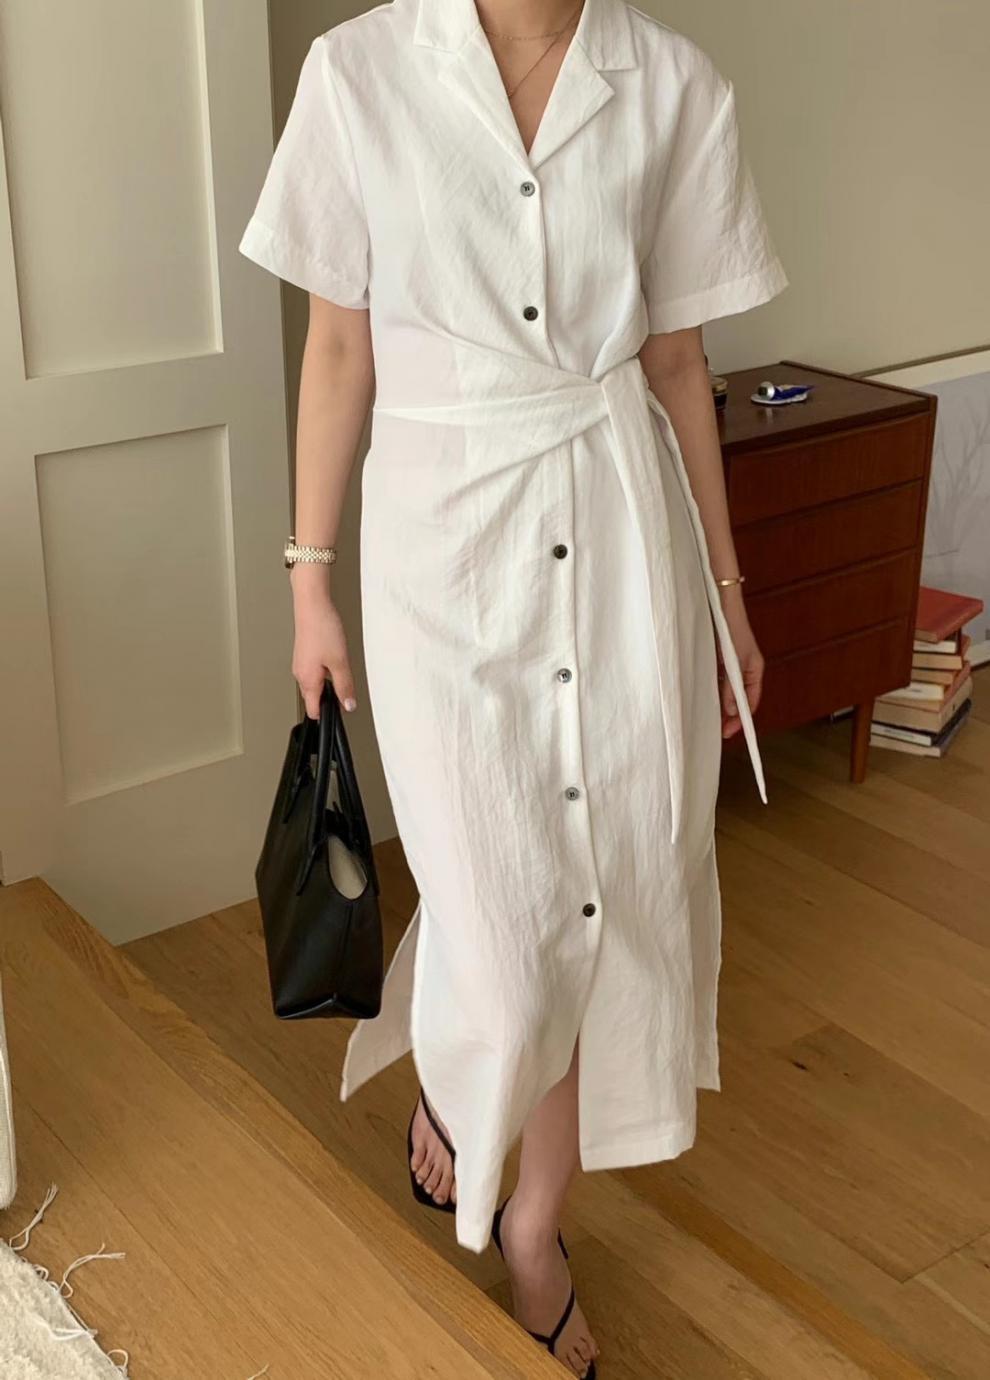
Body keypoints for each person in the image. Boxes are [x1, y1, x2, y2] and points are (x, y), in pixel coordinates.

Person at [239, 0, 788, 1373]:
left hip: (620, 538)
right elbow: (340, 347)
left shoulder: (671, 87)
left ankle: (533, 1222)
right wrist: (309, 580)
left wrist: (725, 594)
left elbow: (676, 362)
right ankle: (461, 1073)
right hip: (446, 558)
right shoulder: (358, 74)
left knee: (604, 886)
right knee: (497, 892)